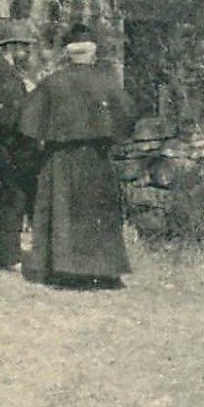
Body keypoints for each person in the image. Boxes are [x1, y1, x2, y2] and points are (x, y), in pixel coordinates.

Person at [21, 22, 135, 289]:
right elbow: (127, 113)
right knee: (97, 213)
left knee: (62, 213)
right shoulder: (107, 82)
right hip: (96, 157)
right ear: (92, 53)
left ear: (69, 53)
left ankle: (61, 270)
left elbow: (27, 119)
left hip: (60, 159)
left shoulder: (52, 83)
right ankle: (103, 272)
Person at [0, 32, 46, 270]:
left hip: (14, 147)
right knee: (13, 197)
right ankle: (9, 257)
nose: (27, 53)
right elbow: (1, 117)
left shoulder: (12, 76)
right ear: (11, 48)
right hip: (2, 149)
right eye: (24, 48)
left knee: (23, 195)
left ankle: (20, 254)